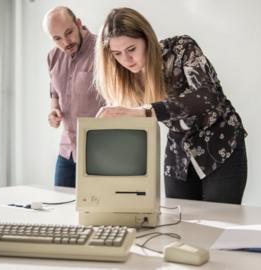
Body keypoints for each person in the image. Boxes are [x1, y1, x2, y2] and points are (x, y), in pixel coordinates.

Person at [95, 7, 248, 204]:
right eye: (117, 53)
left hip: (221, 143)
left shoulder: (182, 48)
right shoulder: (126, 78)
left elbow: (206, 95)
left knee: (219, 220)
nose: (126, 60)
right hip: (178, 153)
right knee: (179, 223)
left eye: (131, 49)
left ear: (147, 39)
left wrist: (145, 111)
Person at [43, 6, 104, 187]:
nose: (65, 42)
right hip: (67, 151)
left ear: (78, 23)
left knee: (94, 213)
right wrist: (54, 110)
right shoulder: (52, 57)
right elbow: (55, 92)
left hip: (98, 152)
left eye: (68, 32)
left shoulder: (103, 52)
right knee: (60, 208)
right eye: (57, 39)